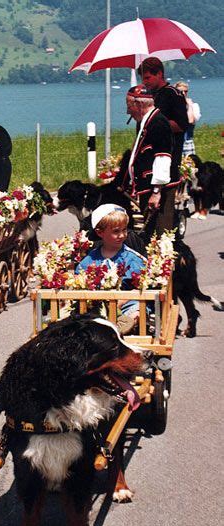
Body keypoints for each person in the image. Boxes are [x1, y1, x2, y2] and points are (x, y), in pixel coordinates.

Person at [76, 204, 147, 335]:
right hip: (96, 306)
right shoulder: (89, 261)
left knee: (137, 309)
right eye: (116, 231)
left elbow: (139, 288)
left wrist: (118, 303)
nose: (122, 235)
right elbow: (80, 283)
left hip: (125, 303)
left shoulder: (132, 258)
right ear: (100, 232)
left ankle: (124, 324)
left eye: (124, 230)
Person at [121, 84, 174, 236]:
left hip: (155, 190)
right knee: (150, 233)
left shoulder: (158, 123)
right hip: (148, 188)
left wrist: (156, 192)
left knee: (157, 233)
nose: (127, 111)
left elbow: (162, 158)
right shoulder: (148, 121)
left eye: (128, 105)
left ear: (138, 104)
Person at [138, 57, 188, 193]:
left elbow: (181, 125)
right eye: (143, 78)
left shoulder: (174, 94)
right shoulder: (148, 95)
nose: (144, 82)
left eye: (147, 78)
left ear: (159, 74)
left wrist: (154, 123)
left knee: (164, 207)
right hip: (147, 158)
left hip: (168, 157)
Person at [174, 81, 201, 156]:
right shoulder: (172, 106)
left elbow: (190, 120)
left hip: (187, 142)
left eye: (185, 91)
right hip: (174, 141)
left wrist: (189, 105)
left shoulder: (194, 106)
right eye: (180, 91)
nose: (183, 93)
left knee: (189, 165)